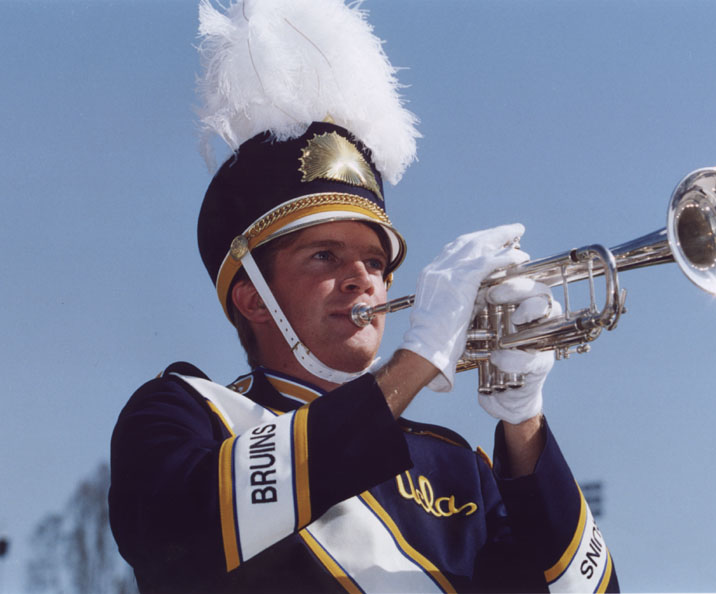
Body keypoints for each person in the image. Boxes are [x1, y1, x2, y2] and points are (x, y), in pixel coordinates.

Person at [109, 1, 619, 592]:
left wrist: (522, 418)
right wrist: (419, 358)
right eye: (324, 256)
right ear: (251, 298)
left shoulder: (453, 467)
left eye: (375, 262)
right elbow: (177, 532)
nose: (362, 279)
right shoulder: (185, 414)